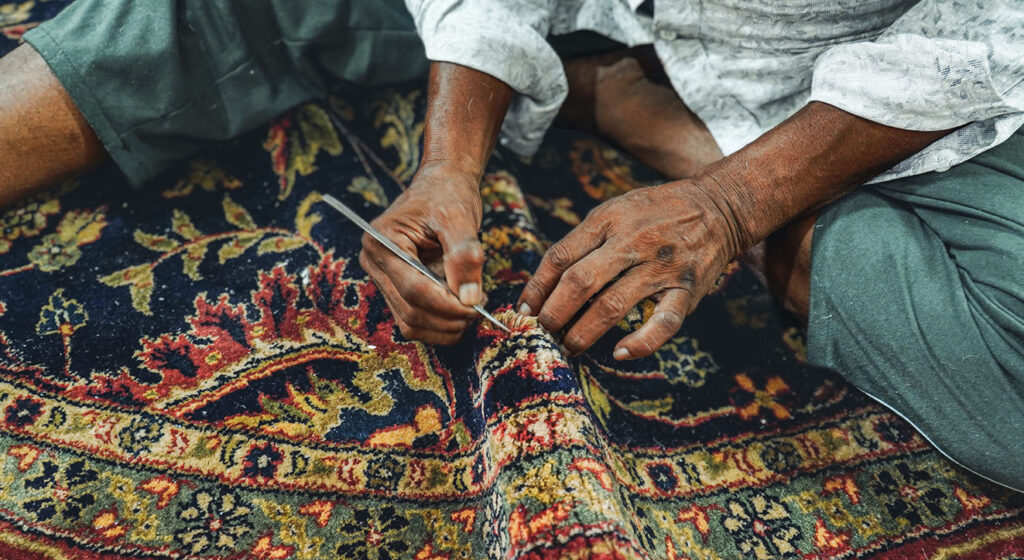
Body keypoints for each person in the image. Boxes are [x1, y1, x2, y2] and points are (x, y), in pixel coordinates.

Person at [1, 1, 1022, 491]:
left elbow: (991, 32)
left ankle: (651, 121)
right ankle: (617, 97)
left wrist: (729, 199)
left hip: (881, 62)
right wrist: (448, 162)